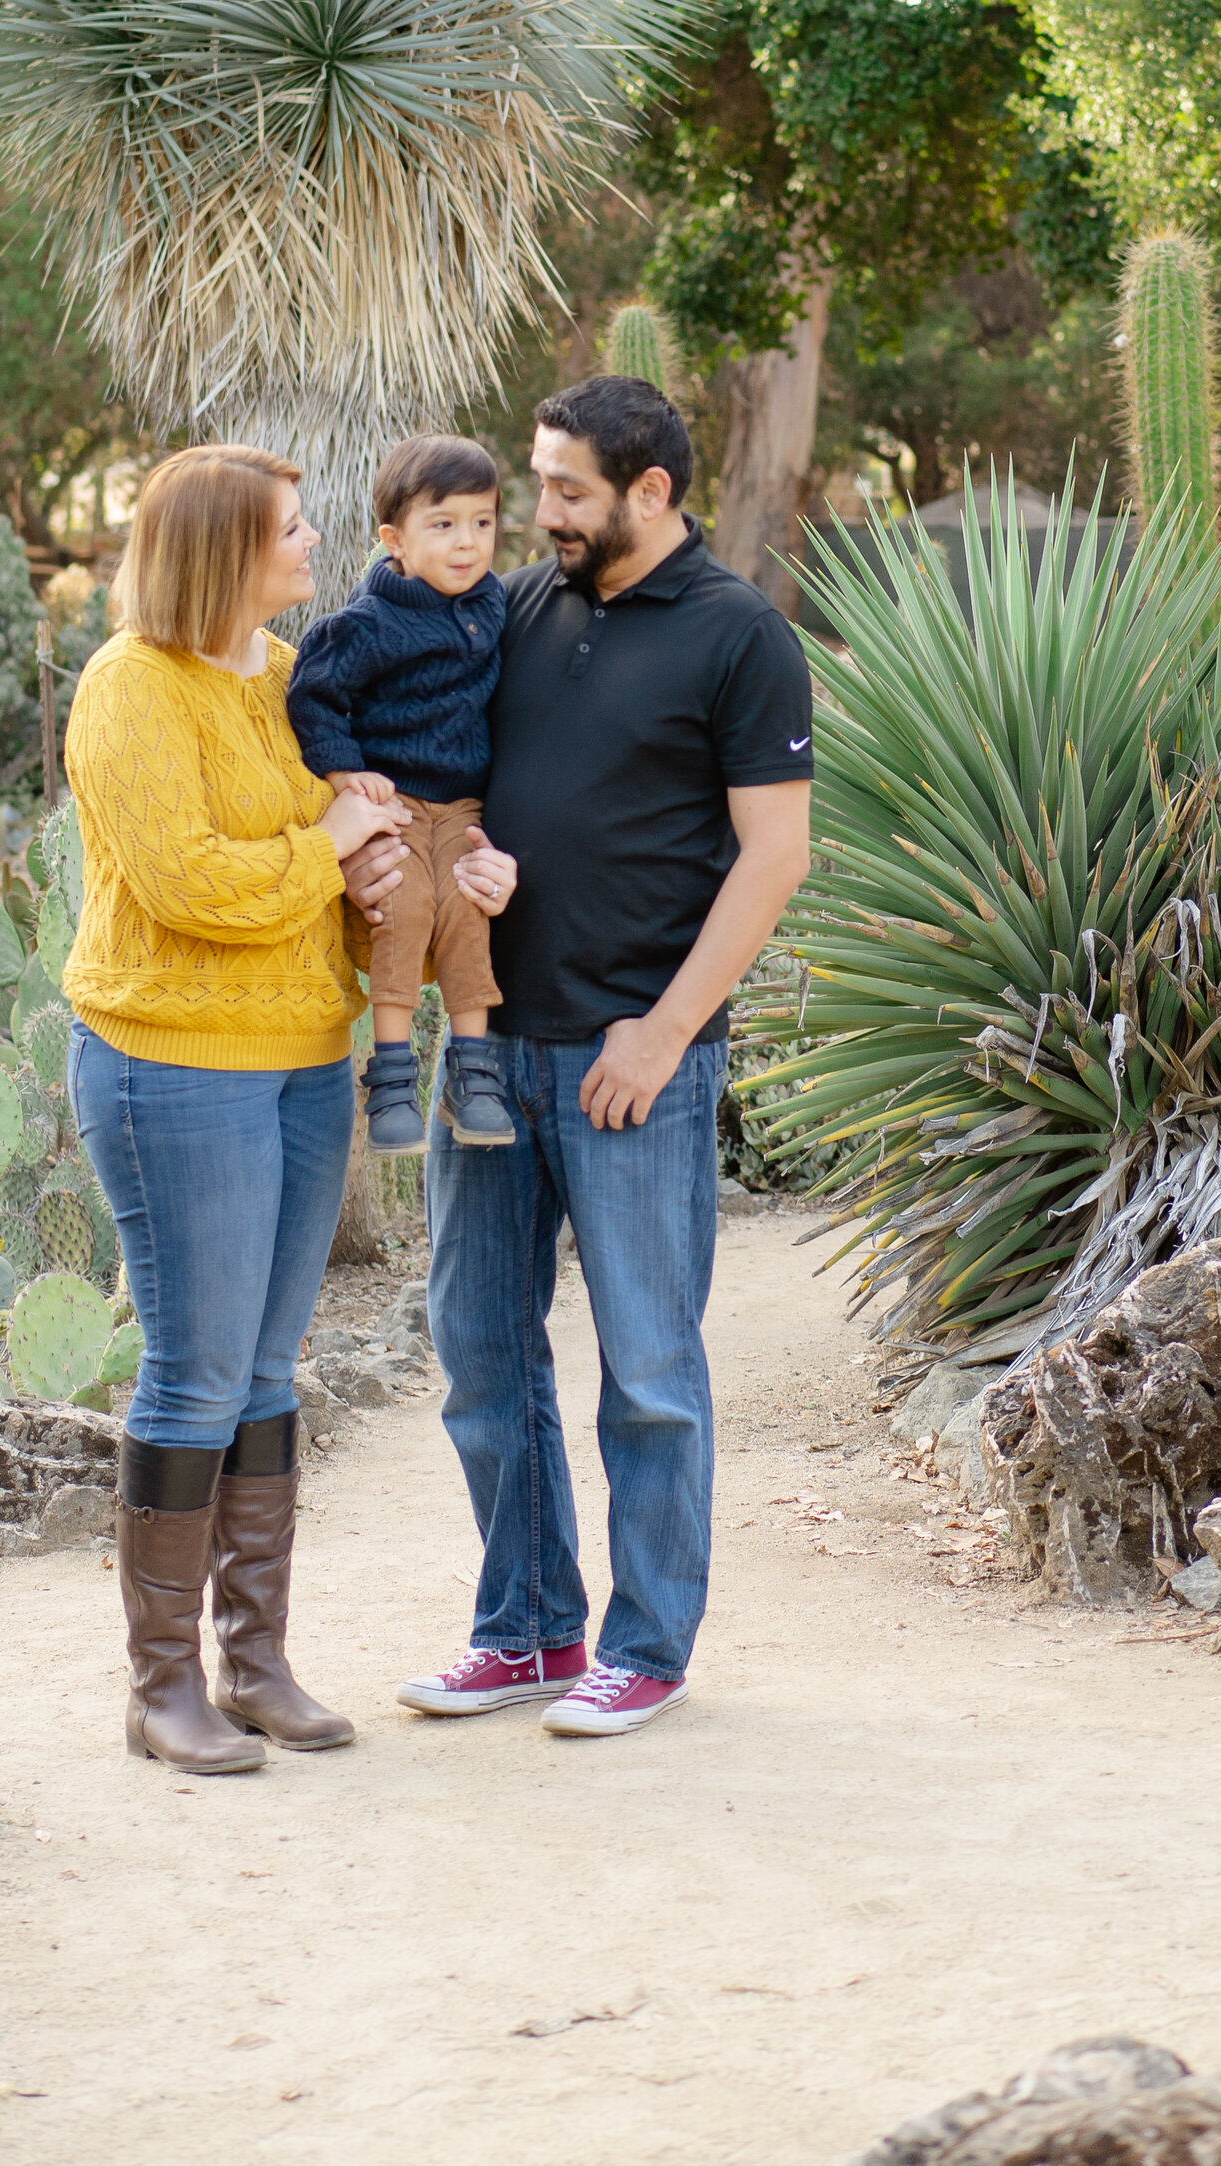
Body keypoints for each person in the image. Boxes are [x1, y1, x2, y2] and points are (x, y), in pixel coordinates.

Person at [400, 374, 814, 1741]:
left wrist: (666, 1026)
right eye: (538, 483)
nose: (542, 512)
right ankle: (524, 1628)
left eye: (568, 487)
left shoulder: (741, 636)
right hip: (491, 1052)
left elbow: (776, 854)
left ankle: (646, 1645)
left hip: (633, 1063)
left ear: (652, 490)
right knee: (478, 1352)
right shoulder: (515, 608)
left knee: (646, 1368)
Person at [63, 443, 406, 1776]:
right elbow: (190, 881)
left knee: (267, 1367)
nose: (316, 542)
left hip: (306, 1055)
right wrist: (325, 846)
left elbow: (340, 818)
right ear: (220, 551)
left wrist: (371, 834)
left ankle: (256, 1662)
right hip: (174, 1063)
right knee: (197, 1367)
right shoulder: (129, 690)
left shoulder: (284, 676)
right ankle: (162, 1688)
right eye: (290, 528)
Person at [287, 434, 518, 1156]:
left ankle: (471, 1075)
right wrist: (343, 770)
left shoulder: (494, 604)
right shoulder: (370, 622)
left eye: (483, 522)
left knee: (467, 907)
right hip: (398, 803)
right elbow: (313, 695)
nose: (467, 543)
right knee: (405, 907)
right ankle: (391, 1077)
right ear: (394, 539)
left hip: (464, 805)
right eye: (442, 525)